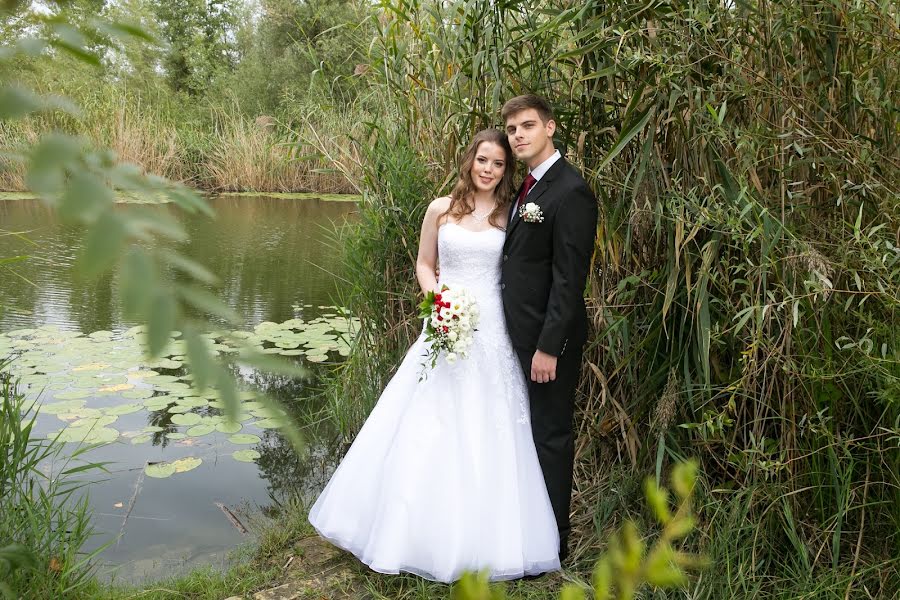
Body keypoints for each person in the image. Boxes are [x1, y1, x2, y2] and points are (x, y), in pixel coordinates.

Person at [308, 128, 561, 583]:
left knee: (490, 425)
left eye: (499, 164)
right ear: (469, 161)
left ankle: (487, 542)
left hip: (492, 330)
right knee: (427, 421)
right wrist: (439, 302)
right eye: (483, 160)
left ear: (506, 171)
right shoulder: (440, 209)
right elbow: (425, 264)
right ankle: (408, 533)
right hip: (444, 323)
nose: (489, 169)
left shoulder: (512, 214)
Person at [500, 95, 598, 563]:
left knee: (551, 437)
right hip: (514, 337)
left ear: (551, 128)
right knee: (525, 434)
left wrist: (548, 347)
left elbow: (568, 279)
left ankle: (554, 546)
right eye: (513, 129)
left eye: (528, 126)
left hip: (546, 343)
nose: (519, 135)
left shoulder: (569, 190)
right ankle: (524, 533)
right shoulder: (528, 188)